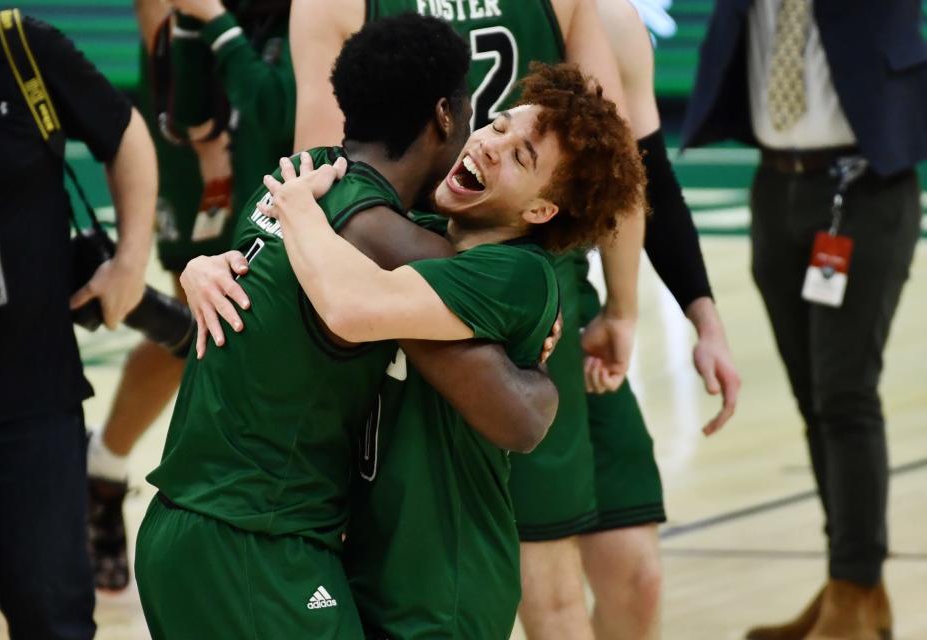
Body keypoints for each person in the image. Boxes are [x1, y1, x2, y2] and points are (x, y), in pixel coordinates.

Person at [285, 0, 740, 636]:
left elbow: (627, 161)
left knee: (628, 577)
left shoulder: (582, 14)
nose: (491, 136)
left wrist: (625, 310)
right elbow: (327, 171)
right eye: (496, 126)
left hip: (516, 282)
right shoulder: (332, 8)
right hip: (432, 275)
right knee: (537, 587)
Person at [134, 15, 567, 638]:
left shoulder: (299, 177)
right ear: (446, 114)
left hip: (187, 527)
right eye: (483, 115)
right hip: (258, 544)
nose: (480, 131)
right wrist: (538, 357)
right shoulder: (395, 242)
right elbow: (519, 417)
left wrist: (197, 266)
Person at [682, 1, 926, 638]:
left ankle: (855, 585)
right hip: (775, 185)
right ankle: (852, 588)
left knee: (845, 394)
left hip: (864, 187)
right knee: (813, 398)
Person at [85, 0, 295, 591]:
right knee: (207, 315)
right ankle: (108, 472)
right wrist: (200, 132)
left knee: (260, 312)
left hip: (283, 75)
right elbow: (164, 23)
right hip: (207, 117)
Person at [0, 0, 156, 636]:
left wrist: (130, 259)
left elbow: (126, 133)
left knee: (54, 618)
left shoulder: (26, 49)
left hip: (31, 393)